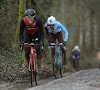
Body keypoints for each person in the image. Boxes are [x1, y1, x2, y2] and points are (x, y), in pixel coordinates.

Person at [19, 9, 44, 73]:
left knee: (38, 48)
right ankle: (29, 66)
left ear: (34, 17)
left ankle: (39, 65)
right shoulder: (23, 21)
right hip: (28, 35)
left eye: (31, 18)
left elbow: (42, 32)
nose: (29, 19)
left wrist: (41, 41)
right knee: (27, 52)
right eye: (28, 18)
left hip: (36, 35)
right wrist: (21, 41)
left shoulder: (38, 20)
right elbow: (20, 33)